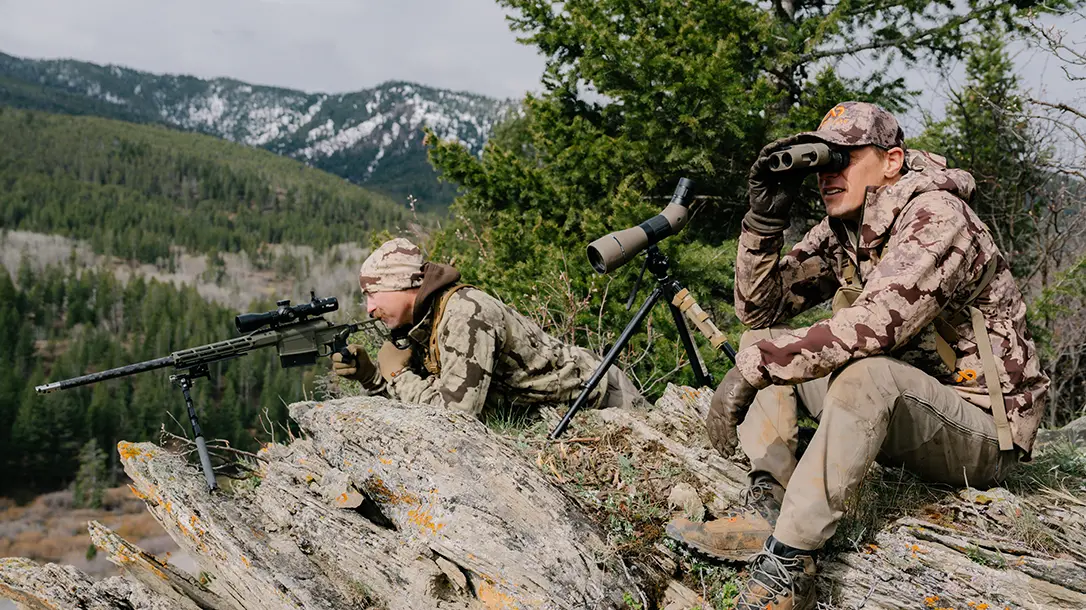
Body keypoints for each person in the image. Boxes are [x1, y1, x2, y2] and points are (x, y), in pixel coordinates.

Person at [666, 102, 1049, 610]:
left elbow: (873, 326)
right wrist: (763, 221)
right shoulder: (845, 229)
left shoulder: (937, 216)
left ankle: (789, 565)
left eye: (843, 159)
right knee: (762, 345)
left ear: (891, 161)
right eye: (822, 162)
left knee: (859, 372)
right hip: (909, 409)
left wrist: (750, 373)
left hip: (983, 430)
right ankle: (767, 505)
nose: (828, 175)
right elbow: (761, 312)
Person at [330, 238, 643, 416]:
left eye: (372, 294)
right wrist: (372, 377)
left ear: (400, 285)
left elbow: (456, 419)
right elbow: (419, 412)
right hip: (560, 412)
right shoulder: (425, 320)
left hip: (605, 399)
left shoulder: (465, 314)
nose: (370, 308)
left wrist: (395, 375)